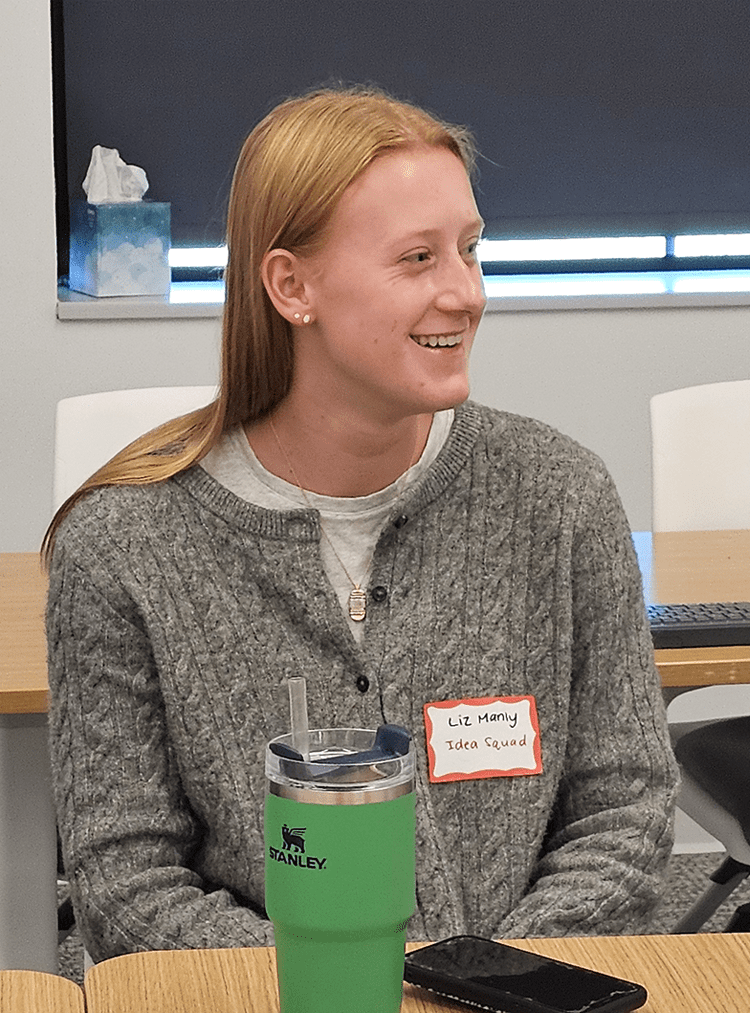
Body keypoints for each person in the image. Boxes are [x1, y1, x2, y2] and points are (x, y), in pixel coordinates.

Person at [42, 87, 678, 959]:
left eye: (469, 249)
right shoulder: (125, 547)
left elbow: (626, 813)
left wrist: (492, 980)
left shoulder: (560, 496)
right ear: (292, 285)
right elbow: (126, 883)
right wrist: (342, 983)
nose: (466, 294)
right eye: (417, 258)